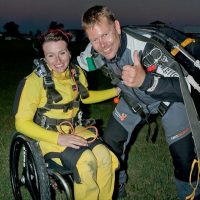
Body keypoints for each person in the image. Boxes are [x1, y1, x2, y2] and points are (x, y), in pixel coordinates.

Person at [76, 5, 200, 200]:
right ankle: (117, 185)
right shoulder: (93, 52)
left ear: (117, 27)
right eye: (95, 39)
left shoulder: (146, 46)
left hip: (169, 101)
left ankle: (190, 196)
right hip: (133, 100)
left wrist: (146, 81)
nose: (102, 44)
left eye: (106, 35)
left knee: (184, 158)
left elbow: (188, 89)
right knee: (110, 142)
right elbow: (76, 65)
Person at [13, 29, 119, 200]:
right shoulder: (33, 81)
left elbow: (86, 97)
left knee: (105, 157)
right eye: (51, 55)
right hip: (47, 137)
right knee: (86, 161)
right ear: (44, 57)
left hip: (73, 128)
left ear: (69, 52)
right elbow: (21, 123)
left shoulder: (75, 73)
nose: (58, 61)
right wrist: (58, 138)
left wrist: (115, 91)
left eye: (62, 53)